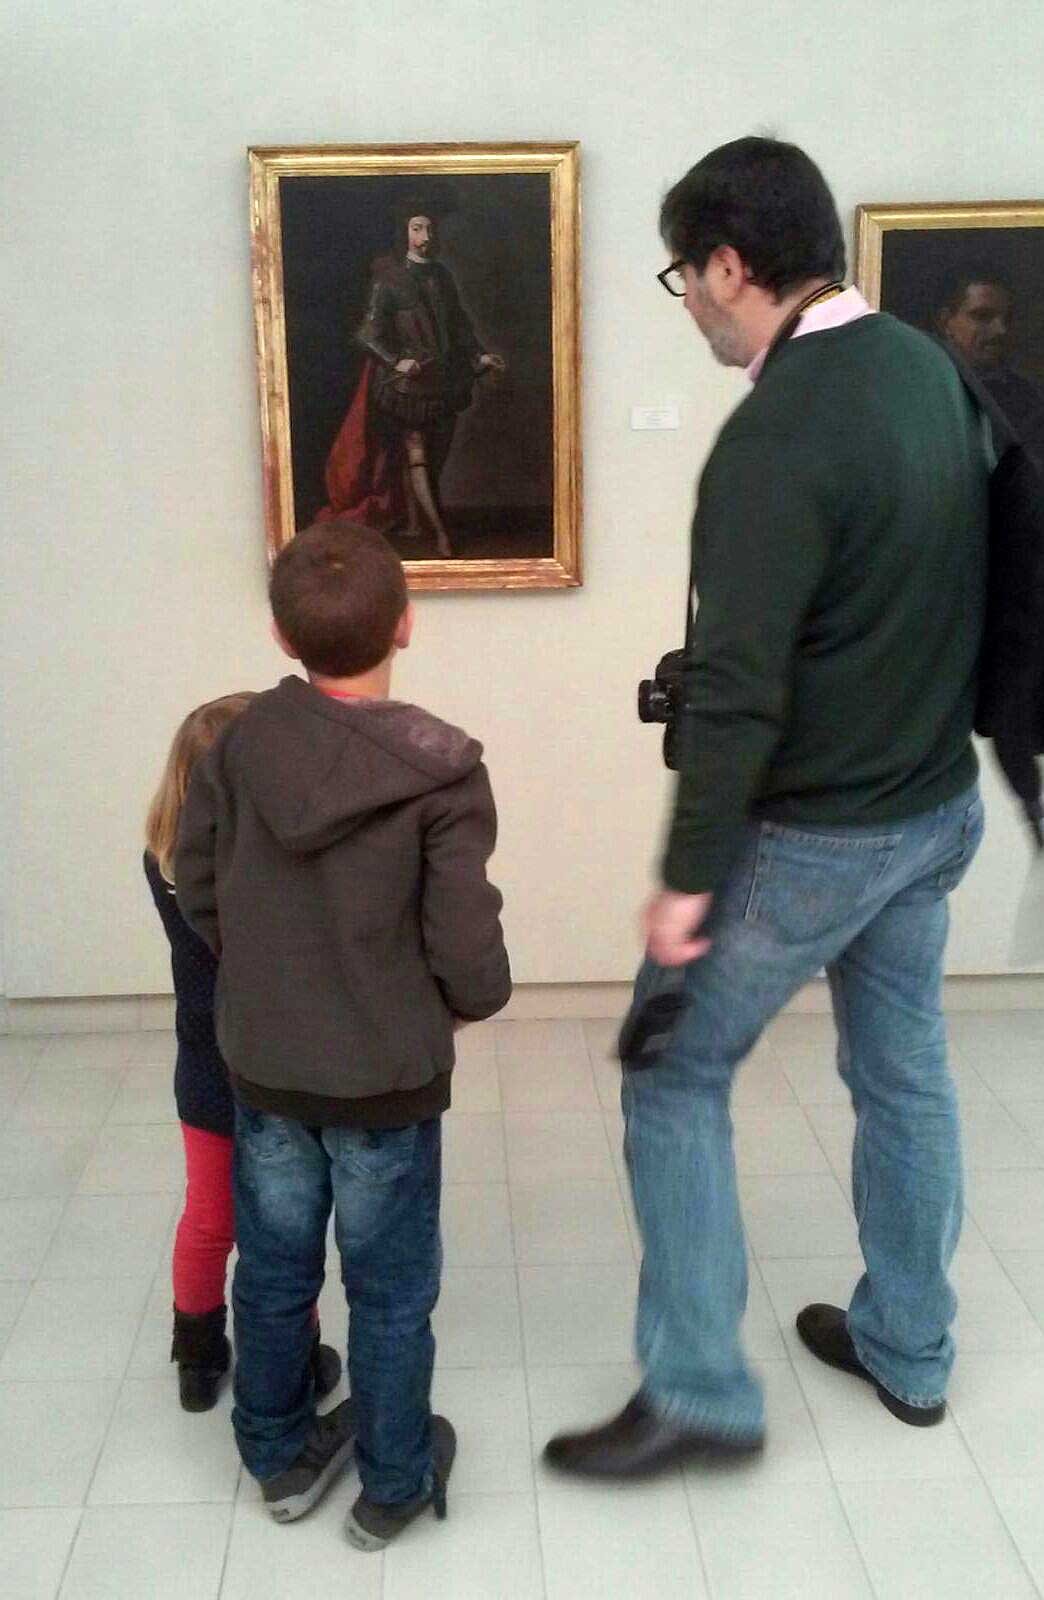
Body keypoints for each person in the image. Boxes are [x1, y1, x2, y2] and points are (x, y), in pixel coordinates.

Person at [545, 137, 990, 1479]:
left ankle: (697, 1393)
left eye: (684, 275)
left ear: (732, 266)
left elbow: (737, 692)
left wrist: (689, 879)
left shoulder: (777, 433)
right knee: (903, 1074)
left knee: (669, 1076)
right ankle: (911, 1346)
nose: (686, 301)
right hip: (934, 810)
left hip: (816, 837)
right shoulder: (929, 370)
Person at [175, 520, 511, 1544]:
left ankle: (277, 1458)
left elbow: (197, 879)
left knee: (274, 1274)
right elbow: (464, 937)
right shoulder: (441, 770)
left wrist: (263, 977)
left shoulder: (236, 746)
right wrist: (467, 1000)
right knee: (391, 1289)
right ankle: (394, 1481)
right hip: (385, 1080)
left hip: (268, 1067)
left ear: (282, 637)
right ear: (405, 623)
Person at [144, 695, 341, 1411]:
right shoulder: (265, 874)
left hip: (203, 1071)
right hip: (272, 1072)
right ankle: (297, 1352)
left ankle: (197, 1356)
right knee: (285, 1222)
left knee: (209, 1218)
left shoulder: (165, 859)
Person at [320, 197, 506, 558]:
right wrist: (396, 361)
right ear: (404, 233)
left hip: (444, 380)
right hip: (408, 387)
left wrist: (479, 355)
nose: (426, 237)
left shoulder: (442, 276)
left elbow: (460, 325)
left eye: (430, 229)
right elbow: (367, 334)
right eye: (418, 229)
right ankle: (441, 533)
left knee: (433, 461)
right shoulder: (388, 279)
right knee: (417, 455)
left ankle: (416, 522)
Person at [935, 265, 1044, 463]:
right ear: (946, 322)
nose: (1000, 330)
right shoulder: (920, 387)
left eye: (1007, 319)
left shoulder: (1029, 401)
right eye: (982, 316)